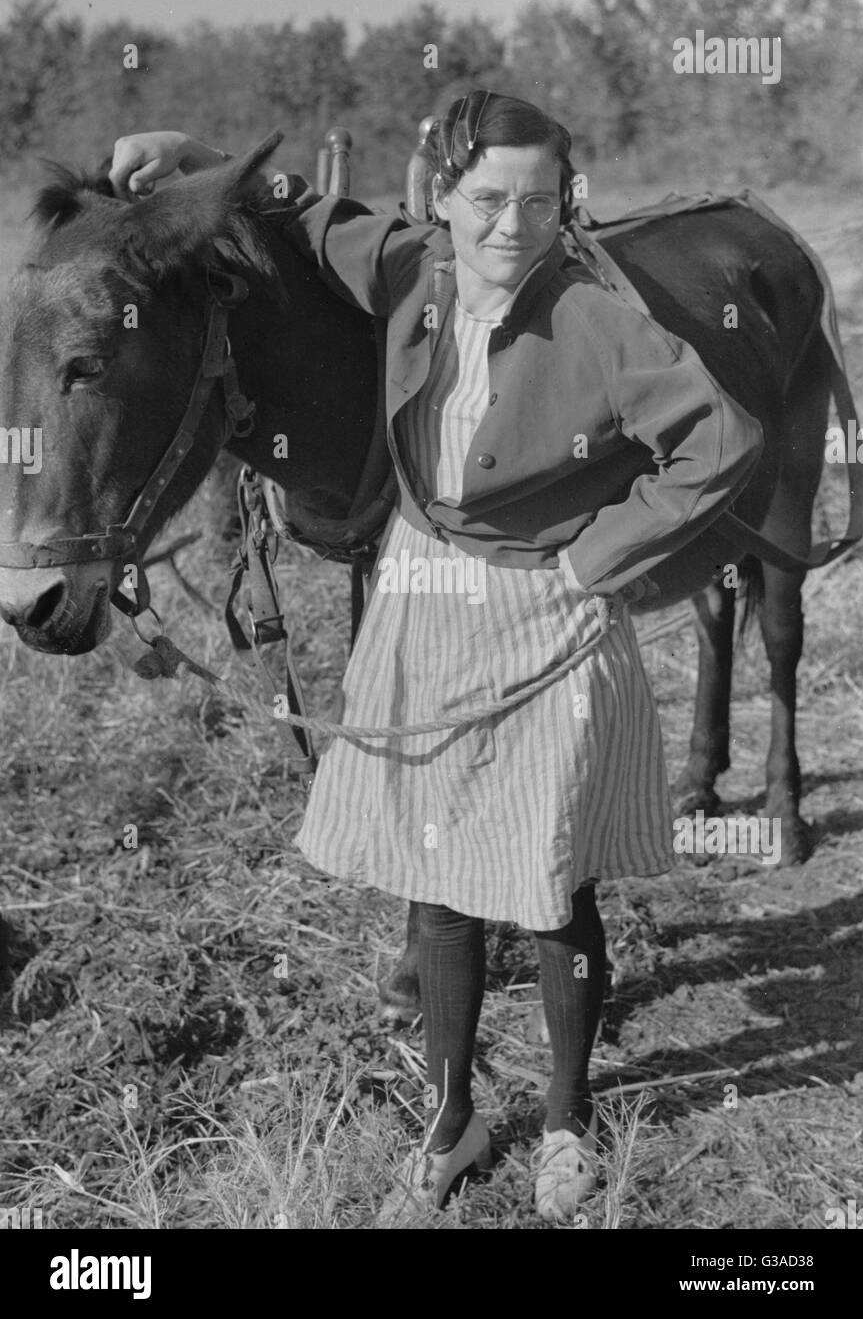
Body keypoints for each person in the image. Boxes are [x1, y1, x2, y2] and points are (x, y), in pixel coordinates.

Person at [110, 91, 763, 1223]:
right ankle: (454, 1117)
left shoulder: (600, 318)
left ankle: (566, 1119)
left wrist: (592, 559)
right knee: (439, 880)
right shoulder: (411, 267)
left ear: (569, 202)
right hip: (423, 595)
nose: (513, 224)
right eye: (488, 199)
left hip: (551, 609)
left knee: (552, 881)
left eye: (541, 200)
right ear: (442, 198)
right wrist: (194, 152)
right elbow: (302, 210)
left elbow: (720, 438)